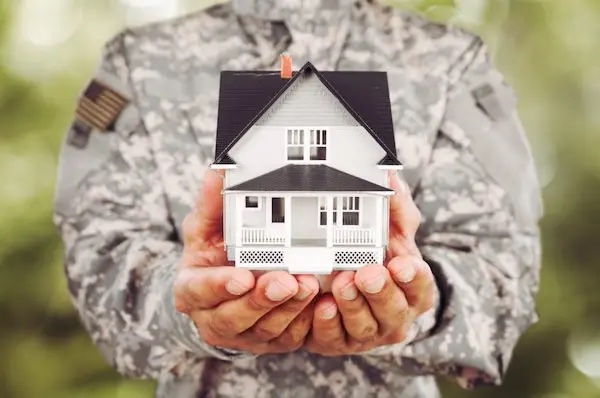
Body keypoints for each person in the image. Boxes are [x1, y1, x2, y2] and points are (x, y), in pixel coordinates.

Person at [53, 0, 543, 397]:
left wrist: (420, 302)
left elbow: (503, 273)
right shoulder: (140, 64)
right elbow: (99, 259)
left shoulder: (449, 64)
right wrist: (185, 303)